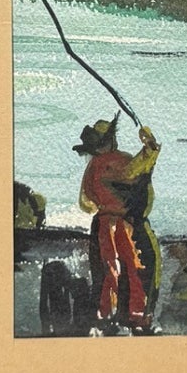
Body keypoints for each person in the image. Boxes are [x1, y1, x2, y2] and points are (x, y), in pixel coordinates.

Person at [75, 117, 160, 329]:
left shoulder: (94, 165)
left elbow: (86, 200)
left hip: (104, 223)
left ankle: (106, 315)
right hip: (122, 224)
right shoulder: (114, 160)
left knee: (109, 269)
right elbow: (131, 173)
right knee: (131, 267)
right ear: (109, 139)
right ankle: (134, 315)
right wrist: (150, 150)